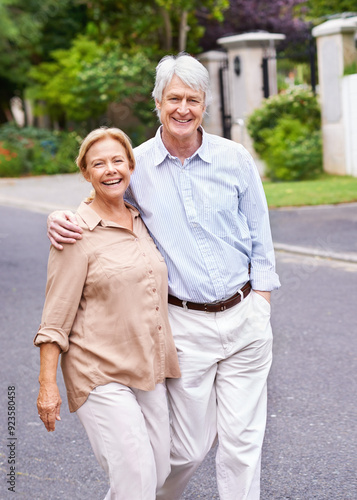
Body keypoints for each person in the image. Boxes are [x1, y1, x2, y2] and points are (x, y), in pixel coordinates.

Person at [47, 53, 281, 500]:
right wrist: (58, 217)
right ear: (157, 102)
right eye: (174, 97)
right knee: (189, 448)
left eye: (193, 99)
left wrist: (261, 306)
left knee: (243, 444)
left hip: (246, 315)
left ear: (205, 105)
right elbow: (99, 200)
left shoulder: (235, 159)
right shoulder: (137, 166)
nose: (183, 108)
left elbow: (260, 238)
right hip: (185, 326)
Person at [35, 127, 181, 500]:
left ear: (131, 166)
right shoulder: (74, 234)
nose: (110, 170)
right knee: (135, 477)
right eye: (98, 164)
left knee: (158, 470)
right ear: (86, 173)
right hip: (98, 372)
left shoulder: (141, 218)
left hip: (146, 367)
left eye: (118, 160)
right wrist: (47, 386)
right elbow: (55, 318)